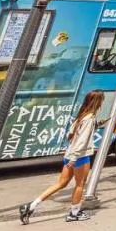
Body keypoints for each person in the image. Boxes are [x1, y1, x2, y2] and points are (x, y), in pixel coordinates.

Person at [20, 91, 106, 224]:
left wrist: (97, 125)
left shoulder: (82, 116)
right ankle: (74, 213)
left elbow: (71, 134)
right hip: (80, 156)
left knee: (61, 184)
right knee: (80, 185)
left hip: (69, 154)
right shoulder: (90, 118)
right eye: (102, 101)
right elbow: (82, 140)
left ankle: (31, 205)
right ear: (97, 102)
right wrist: (75, 157)